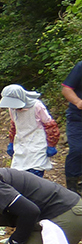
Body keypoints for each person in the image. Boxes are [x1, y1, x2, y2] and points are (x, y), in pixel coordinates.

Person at [0, 84, 60, 178]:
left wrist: (51, 144)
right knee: (17, 174)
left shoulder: (37, 106)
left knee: (35, 174)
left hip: (38, 143)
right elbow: (14, 126)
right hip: (21, 142)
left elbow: (50, 125)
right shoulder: (12, 109)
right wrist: (11, 143)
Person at [62, 60, 82, 193]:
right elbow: (66, 89)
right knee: (78, 150)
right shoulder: (81, 67)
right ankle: (73, 188)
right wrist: (78, 101)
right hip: (78, 118)